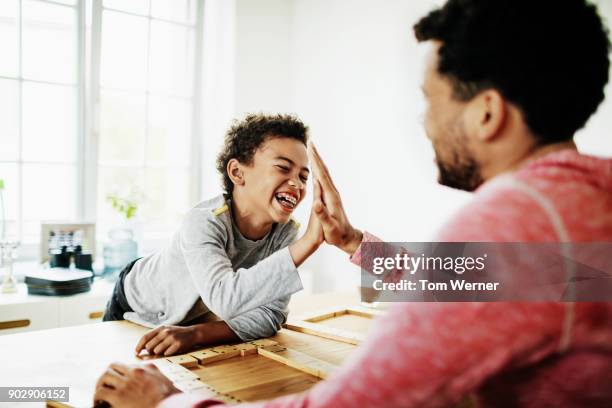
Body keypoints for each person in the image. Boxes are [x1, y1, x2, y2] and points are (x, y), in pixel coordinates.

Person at [94, 0, 612, 406]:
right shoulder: (578, 205)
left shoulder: (513, 221)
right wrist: (349, 241)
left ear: (486, 113)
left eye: (429, 100)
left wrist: (166, 403)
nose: (423, 122)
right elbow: (477, 283)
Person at [102, 113, 323, 357]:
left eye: (303, 177)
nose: (297, 185)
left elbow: (271, 316)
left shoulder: (285, 233)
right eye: (283, 168)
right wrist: (308, 243)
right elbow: (224, 299)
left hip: (188, 318)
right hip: (137, 301)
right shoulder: (204, 220)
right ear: (238, 173)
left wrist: (197, 334)